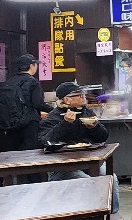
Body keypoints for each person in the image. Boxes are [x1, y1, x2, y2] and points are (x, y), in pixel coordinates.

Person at [38, 83, 120, 213]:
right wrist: (65, 124)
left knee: (110, 178)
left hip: (89, 161)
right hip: (63, 167)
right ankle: (94, 217)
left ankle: (111, 215)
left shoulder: (86, 112)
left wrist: (95, 127)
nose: (84, 98)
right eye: (79, 95)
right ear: (67, 99)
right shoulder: (52, 118)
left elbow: (103, 137)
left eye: (83, 95)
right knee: (89, 183)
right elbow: (45, 141)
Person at [0, 54, 52, 151]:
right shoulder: (33, 82)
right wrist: (54, 109)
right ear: (31, 66)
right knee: (30, 151)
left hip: (11, 122)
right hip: (29, 122)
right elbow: (38, 104)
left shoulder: (9, 82)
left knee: (13, 151)